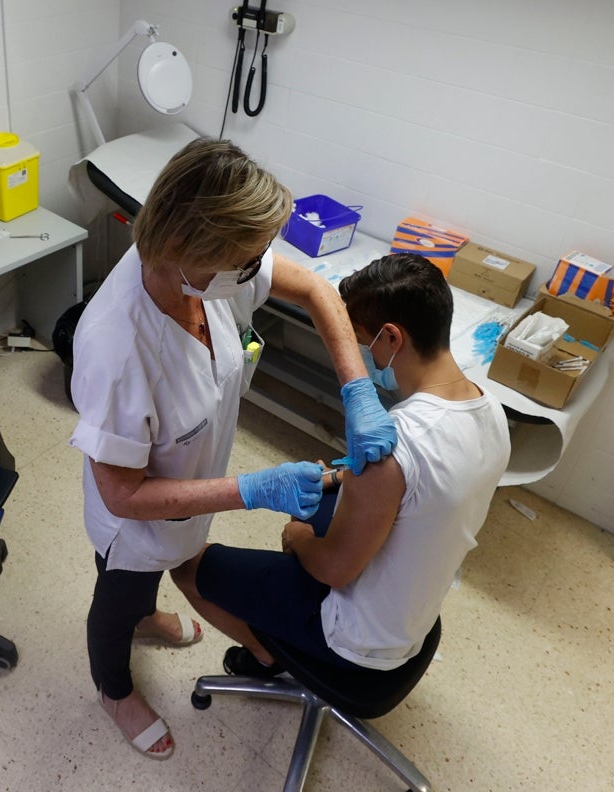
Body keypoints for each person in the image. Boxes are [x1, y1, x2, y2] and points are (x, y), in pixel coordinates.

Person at [69, 137, 398, 760]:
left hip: (192, 487)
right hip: (135, 520)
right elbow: (122, 491)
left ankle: (146, 617)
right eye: (248, 260)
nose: (259, 268)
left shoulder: (206, 277)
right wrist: (255, 489)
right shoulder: (117, 348)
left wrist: (358, 389)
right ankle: (114, 686)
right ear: (189, 250)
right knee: (116, 595)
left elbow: (317, 290)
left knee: (173, 558)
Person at [179, 252, 510, 681]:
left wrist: (297, 538)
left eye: (359, 338)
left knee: (187, 567)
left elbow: (334, 568)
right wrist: (341, 476)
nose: (356, 351)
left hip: (354, 640)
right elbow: (424, 488)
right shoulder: (491, 410)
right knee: (321, 503)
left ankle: (266, 655)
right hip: (412, 615)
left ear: (391, 338)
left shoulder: (397, 443)